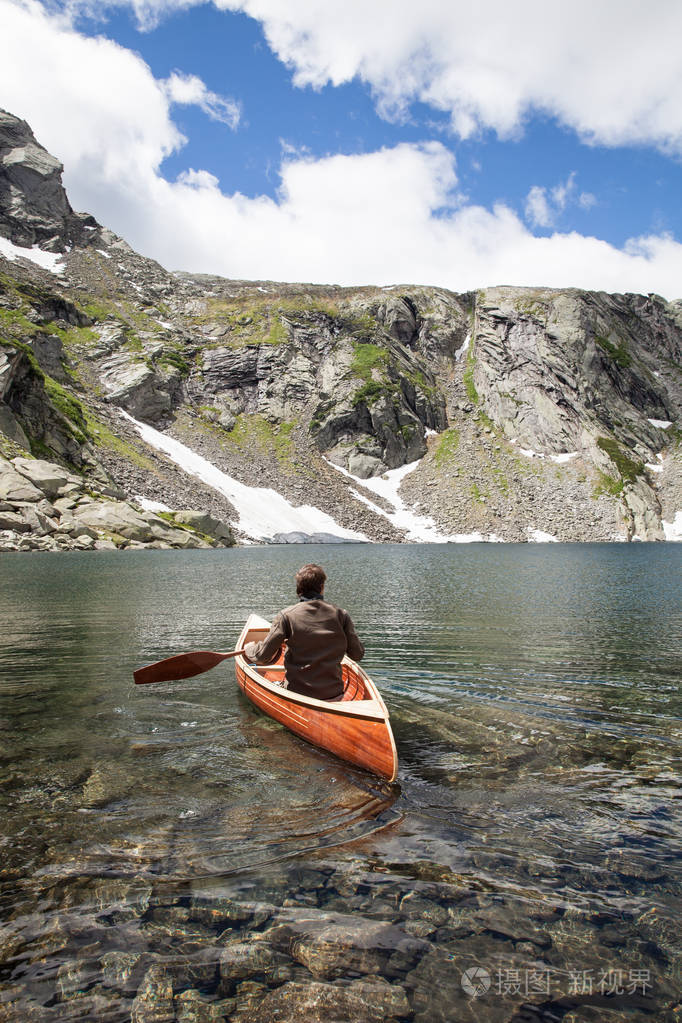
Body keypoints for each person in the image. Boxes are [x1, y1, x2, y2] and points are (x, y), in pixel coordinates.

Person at [243, 563, 365, 701]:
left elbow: (262, 656)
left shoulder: (286, 616)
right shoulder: (341, 615)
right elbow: (357, 655)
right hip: (334, 694)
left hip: (298, 694)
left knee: (277, 683)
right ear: (322, 587)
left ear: (299, 588)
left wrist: (249, 649)